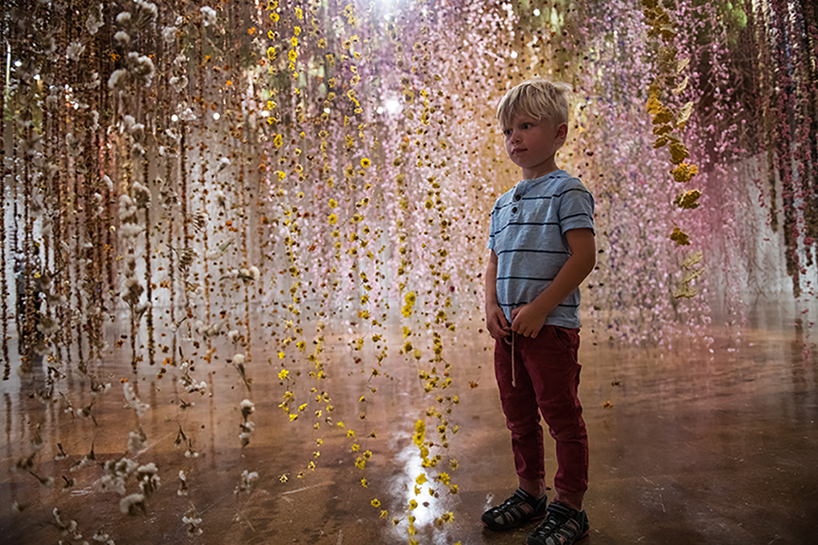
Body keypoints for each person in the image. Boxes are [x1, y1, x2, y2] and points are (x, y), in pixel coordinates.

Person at [482, 78, 596, 545]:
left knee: (561, 417)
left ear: (560, 134)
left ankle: (570, 507)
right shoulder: (501, 203)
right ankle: (531, 493)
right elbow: (492, 261)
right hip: (509, 335)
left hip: (549, 332)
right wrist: (491, 305)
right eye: (508, 130)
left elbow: (583, 257)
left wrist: (541, 309)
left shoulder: (568, 191)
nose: (515, 137)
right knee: (519, 416)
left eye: (526, 126)